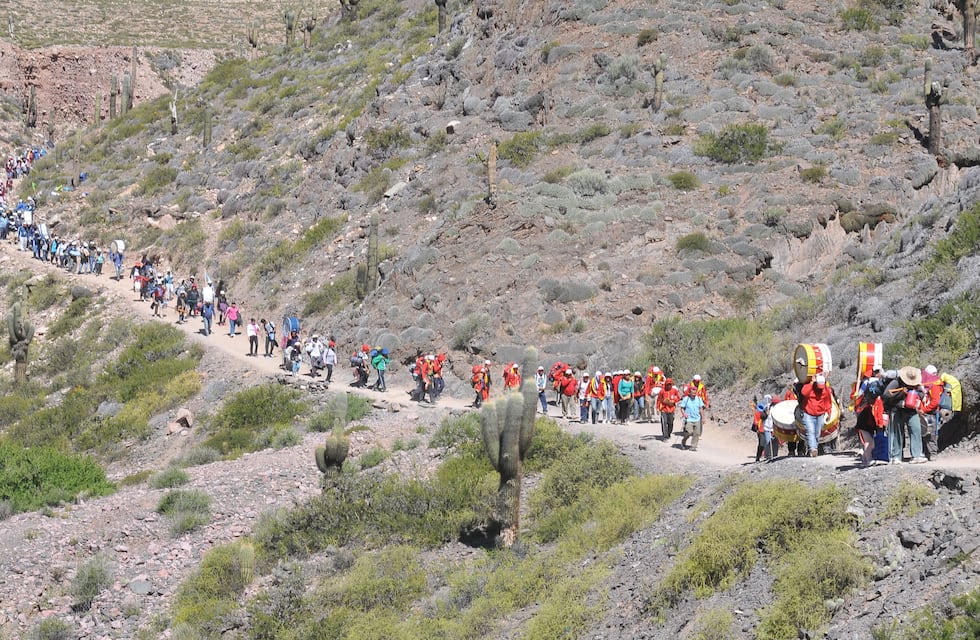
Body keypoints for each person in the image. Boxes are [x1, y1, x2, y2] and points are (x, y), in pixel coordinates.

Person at [881, 366, 926, 464]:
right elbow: (886, 395)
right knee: (897, 433)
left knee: (916, 430)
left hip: (911, 410)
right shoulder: (896, 382)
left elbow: (922, 394)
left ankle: (917, 455)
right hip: (897, 410)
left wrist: (918, 393)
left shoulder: (916, 384)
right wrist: (901, 393)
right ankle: (895, 456)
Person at [797, 373, 832, 457]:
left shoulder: (826, 390)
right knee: (810, 431)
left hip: (820, 414)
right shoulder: (809, 387)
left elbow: (828, 402)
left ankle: (814, 448)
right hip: (808, 413)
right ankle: (812, 449)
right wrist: (811, 383)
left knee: (817, 433)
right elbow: (804, 393)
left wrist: (829, 413)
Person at [678, 384, 706, 451]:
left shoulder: (699, 399)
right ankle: (683, 441)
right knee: (689, 432)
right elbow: (682, 408)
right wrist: (684, 414)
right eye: (692, 392)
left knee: (697, 433)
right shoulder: (686, 399)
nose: (694, 393)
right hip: (689, 419)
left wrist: (703, 418)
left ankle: (693, 446)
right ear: (689, 392)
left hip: (697, 419)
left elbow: (701, 409)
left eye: (695, 392)